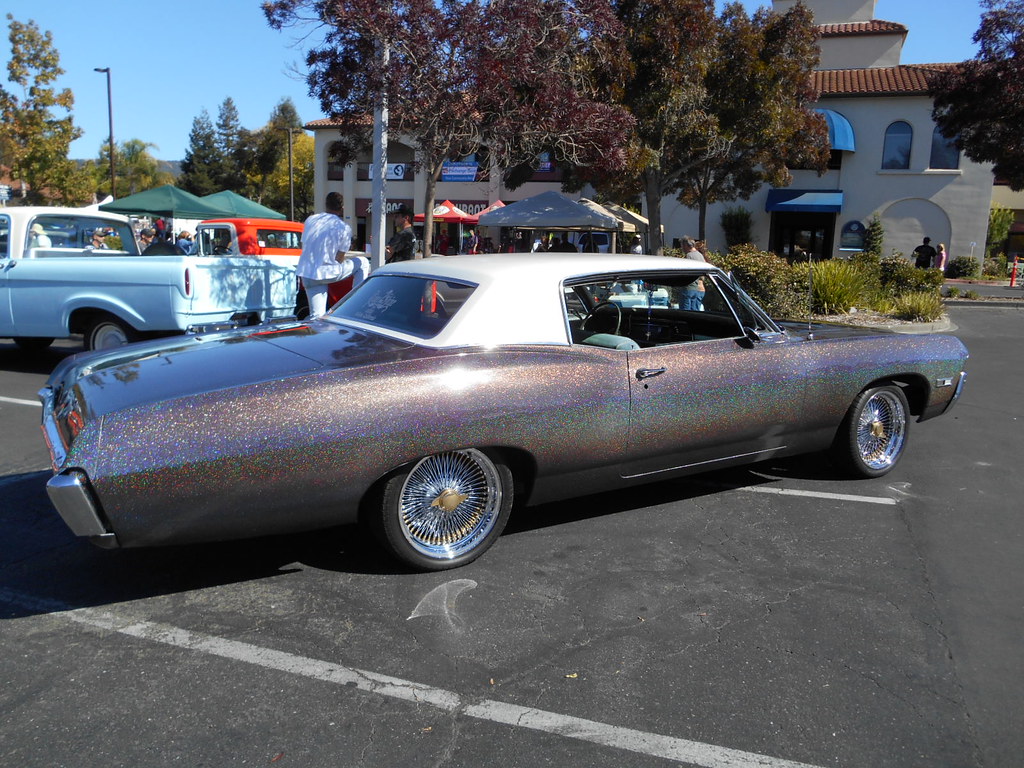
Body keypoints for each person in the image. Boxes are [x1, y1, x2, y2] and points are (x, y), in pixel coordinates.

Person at [298, 191, 364, 317]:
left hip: (307, 273)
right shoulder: (344, 228)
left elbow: (304, 245)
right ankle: (357, 302)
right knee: (363, 263)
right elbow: (339, 258)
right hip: (327, 272)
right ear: (342, 208)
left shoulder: (310, 220)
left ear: (326, 205)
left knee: (317, 316)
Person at [679, 236, 706, 310]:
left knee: (685, 312)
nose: (682, 248)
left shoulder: (689, 256)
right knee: (695, 312)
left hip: (689, 287)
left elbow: (684, 272)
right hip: (699, 288)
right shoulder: (700, 255)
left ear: (685, 245)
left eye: (682, 246)